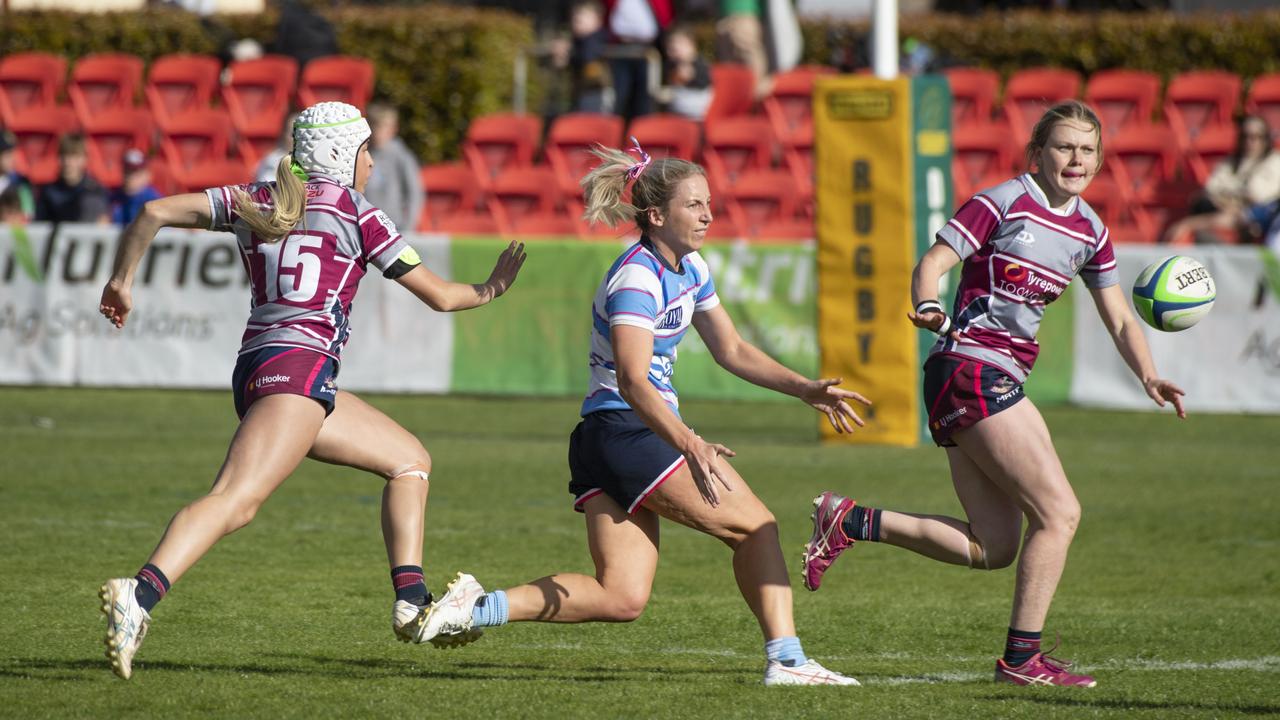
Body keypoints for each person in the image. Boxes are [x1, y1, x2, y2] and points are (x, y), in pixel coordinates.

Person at [412, 140, 870, 687]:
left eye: (708, 203)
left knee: (621, 595)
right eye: (694, 205)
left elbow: (732, 350)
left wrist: (804, 389)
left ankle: (472, 608)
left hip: (608, 436)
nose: (708, 214)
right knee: (757, 528)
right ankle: (789, 660)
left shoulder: (691, 267)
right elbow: (632, 380)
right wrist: (689, 441)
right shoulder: (637, 277)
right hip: (627, 431)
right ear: (656, 216)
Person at [96, 101, 527, 681]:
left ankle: (411, 599)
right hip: (298, 370)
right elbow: (443, 297)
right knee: (236, 500)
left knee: (408, 461)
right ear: (343, 154)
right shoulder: (359, 212)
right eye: (365, 150)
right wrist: (494, 287)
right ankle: (138, 594)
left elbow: (151, 211)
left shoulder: (257, 198)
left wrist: (121, 283)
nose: (372, 162)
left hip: (266, 367)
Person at [801, 100, 1187, 688]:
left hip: (988, 377)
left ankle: (850, 520)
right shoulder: (1002, 202)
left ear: (1100, 160)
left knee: (995, 545)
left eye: (1087, 150)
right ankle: (1022, 661)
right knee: (1060, 515)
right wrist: (929, 303)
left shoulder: (1092, 231)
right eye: (1064, 147)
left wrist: (1148, 375)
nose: (1076, 159)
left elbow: (1122, 320)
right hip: (971, 366)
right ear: (1038, 152)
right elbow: (933, 261)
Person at [1162, 114, 1280, 245]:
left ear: (1266, 139)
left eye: (1257, 137)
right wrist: (1236, 200)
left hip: (1256, 226)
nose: (1250, 141)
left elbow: (1256, 195)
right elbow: (1211, 189)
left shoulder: (1275, 162)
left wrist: (1228, 198)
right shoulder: (1231, 162)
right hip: (1220, 218)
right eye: (1245, 136)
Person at [362, 102, 422, 233]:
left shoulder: (402, 156)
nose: (378, 132)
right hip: (366, 227)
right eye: (375, 126)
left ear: (393, 129)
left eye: (383, 127)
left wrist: (408, 228)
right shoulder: (362, 153)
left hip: (395, 228)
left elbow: (415, 193)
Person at [35, 133, 110, 224]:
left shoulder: (95, 191)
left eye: (74, 157)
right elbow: (40, 227)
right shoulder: (48, 192)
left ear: (84, 159)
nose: (67, 162)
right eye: (64, 156)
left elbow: (102, 226)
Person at [661, 26, 712, 120]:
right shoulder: (670, 65)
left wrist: (691, 75)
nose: (676, 49)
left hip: (697, 114)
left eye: (681, 44)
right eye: (671, 47)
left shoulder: (700, 64)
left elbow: (704, 83)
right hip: (676, 113)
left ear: (692, 45)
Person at [110, 148, 163, 226]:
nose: (130, 176)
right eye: (127, 171)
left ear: (147, 175)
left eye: (135, 172)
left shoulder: (154, 201)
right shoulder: (113, 197)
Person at [255, 111, 300, 183]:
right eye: (292, 133)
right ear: (284, 135)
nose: (298, 138)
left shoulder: (318, 163)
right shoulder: (271, 162)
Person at [0, 130, 35, 221]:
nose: (11, 159)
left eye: (12, 153)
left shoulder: (21, 183)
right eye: (6, 154)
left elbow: (28, 214)